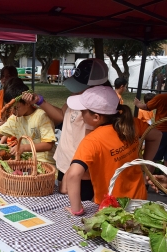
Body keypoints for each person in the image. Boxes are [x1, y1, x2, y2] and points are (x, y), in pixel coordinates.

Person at [63, 85, 161, 216]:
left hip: (110, 208)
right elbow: (156, 135)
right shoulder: (133, 123)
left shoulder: (92, 140)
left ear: (96, 117)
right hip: (139, 200)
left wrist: (77, 209)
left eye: (82, 112)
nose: (81, 114)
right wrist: (146, 166)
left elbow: (73, 174)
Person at [33, 58, 110, 201]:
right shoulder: (76, 97)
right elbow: (63, 116)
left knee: (77, 209)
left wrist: (72, 172)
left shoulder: (94, 108)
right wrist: (41, 102)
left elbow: (90, 146)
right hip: (65, 163)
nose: (76, 90)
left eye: (81, 86)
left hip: (80, 171)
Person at [0, 77, 56, 164]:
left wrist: (23, 148)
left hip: (45, 163)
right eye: (11, 108)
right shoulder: (15, 118)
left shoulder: (41, 116)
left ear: (28, 103)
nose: (13, 112)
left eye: (16, 108)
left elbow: (48, 145)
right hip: (26, 162)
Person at [135, 92, 167, 166]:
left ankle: (147, 175)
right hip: (162, 129)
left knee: (153, 157)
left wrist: (137, 103)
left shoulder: (162, 97)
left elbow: (146, 107)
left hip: (162, 130)